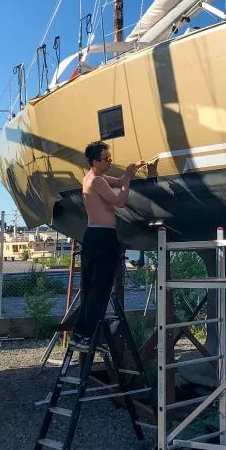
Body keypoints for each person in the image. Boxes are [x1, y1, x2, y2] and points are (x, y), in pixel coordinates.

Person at [71, 141, 145, 345]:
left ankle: (80, 333)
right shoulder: (96, 181)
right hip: (103, 237)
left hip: (92, 237)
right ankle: (88, 334)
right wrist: (128, 180)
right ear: (95, 161)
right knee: (100, 288)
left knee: (89, 286)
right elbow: (120, 201)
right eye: (106, 159)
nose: (110, 162)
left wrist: (130, 171)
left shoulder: (94, 178)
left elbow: (119, 179)